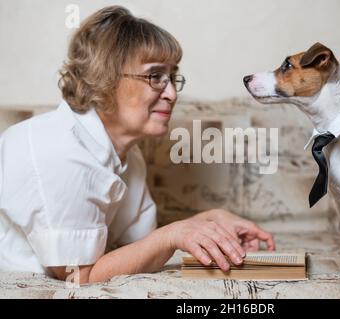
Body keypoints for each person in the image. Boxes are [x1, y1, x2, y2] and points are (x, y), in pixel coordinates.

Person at [0, 6, 274, 284]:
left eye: (171, 76)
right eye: (155, 76)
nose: (172, 93)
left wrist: (206, 221)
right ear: (104, 77)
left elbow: (141, 246)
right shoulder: (59, 151)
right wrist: (174, 234)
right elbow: (77, 276)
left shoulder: (128, 153)